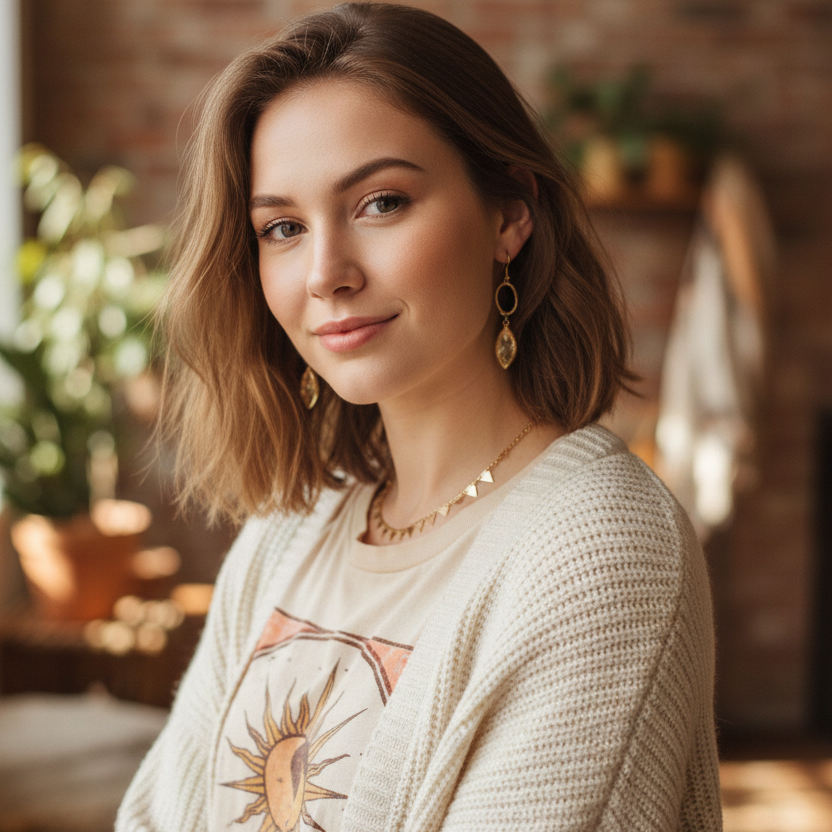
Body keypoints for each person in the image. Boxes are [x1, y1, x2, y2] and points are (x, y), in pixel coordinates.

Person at [116, 3, 722, 831]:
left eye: (381, 203)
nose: (326, 273)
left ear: (510, 215)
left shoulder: (600, 550)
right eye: (283, 227)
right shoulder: (289, 532)